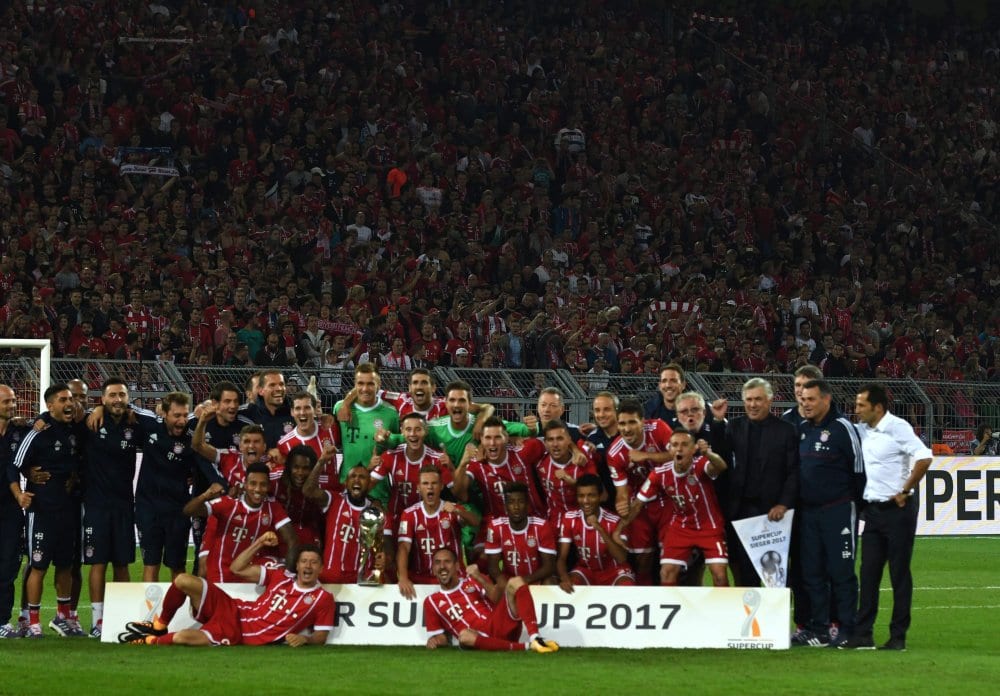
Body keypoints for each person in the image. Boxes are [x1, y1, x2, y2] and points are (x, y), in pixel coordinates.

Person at [118, 533, 333, 646]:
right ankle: (159, 626)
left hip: (240, 632)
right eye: (304, 561)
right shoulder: (280, 576)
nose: (308, 566)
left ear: (321, 568)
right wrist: (259, 542)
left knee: (182, 637)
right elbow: (237, 568)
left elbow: (321, 636)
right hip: (233, 608)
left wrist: (306, 639)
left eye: (313, 562)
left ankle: (152, 642)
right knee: (182, 580)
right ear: (297, 565)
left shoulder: (322, 598)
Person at [842, 384, 932, 651]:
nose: (856, 410)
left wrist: (906, 490)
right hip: (873, 511)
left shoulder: (897, 427)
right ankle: (863, 634)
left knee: (898, 573)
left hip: (898, 510)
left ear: (878, 407)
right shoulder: (863, 430)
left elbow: (924, 457)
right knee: (868, 573)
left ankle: (898, 636)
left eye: (861, 405)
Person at [793, 379, 865, 648]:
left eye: (811, 399)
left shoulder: (843, 428)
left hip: (838, 510)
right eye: (803, 399)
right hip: (808, 514)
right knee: (812, 573)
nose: (806, 404)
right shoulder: (803, 429)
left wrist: (852, 505)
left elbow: (859, 470)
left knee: (841, 571)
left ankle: (847, 629)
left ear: (826, 399)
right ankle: (819, 629)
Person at [710, 378, 799, 587]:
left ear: (769, 400)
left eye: (758, 399)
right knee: (746, 575)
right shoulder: (734, 426)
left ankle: (778, 610)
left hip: (774, 513)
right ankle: (750, 610)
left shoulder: (786, 430)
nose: (753, 404)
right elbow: (720, 459)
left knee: (776, 578)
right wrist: (717, 422)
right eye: (749, 400)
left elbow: (794, 471)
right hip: (742, 512)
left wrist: (783, 504)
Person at [14, 384, 85, 638]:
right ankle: (32, 622)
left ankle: (62, 617)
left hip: (68, 508)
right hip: (42, 509)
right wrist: (26, 478)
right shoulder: (37, 432)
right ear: (50, 405)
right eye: (63, 399)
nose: (69, 403)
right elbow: (16, 463)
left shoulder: (75, 429)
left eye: (71, 399)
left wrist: (75, 475)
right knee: (38, 566)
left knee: (65, 565)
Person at [80, 379, 143, 638]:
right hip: (96, 504)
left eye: (122, 395)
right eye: (113, 395)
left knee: (122, 562)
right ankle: (98, 621)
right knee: (98, 563)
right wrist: (95, 410)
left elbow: (158, 420)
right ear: (103, 399)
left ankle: (122, 617)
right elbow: (62, 418)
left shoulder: (134, 423)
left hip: (124, 505)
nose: (118, 399)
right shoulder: (90, 422)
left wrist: (134, 411)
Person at [626, 429, 730, 587]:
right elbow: (637, 503)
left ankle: (722, 604)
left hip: (709, 526)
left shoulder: (701, 463)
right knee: (666, 572)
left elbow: (721, 466)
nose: (679, 449)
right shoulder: (660, 473)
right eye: (675, 445)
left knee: (720, 575)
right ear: (669, 449)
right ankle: (669, 602)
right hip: (681, 527)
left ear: (694, 449)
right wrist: (619, 529)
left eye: (684, 445)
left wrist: (708, 454)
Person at [423, 546, 559, 653]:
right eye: (437, 563)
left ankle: (535, 637)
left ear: (457, 566)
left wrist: (478, 577)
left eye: (447, 562)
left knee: (516, 582)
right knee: (463, 636)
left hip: (498, 624)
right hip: (477, 637)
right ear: (433, 569)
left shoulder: (473, 579)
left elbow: (497, 599)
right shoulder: (431, 602)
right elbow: (440, 637)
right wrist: (434, 640)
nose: (442, 566)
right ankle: (528, 646)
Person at [183, 462, 297, 583]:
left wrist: (290, 573)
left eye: (263, 484)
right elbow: (188, 511)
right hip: (221, 571)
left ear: (269, 486)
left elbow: (292, 539)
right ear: (245, 484)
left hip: (247, 572)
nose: (258, 489)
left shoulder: (272, 507)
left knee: (277, 567)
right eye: (253, 483)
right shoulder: (229, 504)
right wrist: (206, 494)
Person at [605, 398, 673, 585]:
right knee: (643, 561)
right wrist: (621, 503)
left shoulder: (658, 428)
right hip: (639, 507)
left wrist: (646, 455)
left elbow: (679, 455)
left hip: (668, 500)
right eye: (622, 423)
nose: (626, 429)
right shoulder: (614, 453)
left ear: (643, 421)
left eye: (632, 422)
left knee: (672, 559)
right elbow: (621, 492)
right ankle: (645, 597)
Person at [302, 460, 392, 583]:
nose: (357, 480)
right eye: (353, 476)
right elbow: (308, 490)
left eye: (362, 477)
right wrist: (321, 461)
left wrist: (385, 557)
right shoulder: (334, 500)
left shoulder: (377, 511)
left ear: (369, 484)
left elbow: (387, 545)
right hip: (332, 576)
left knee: (386, 581)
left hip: (362, 579)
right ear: (346, 483)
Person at [397, 466, 479, 599]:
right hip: (422, 580)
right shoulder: (409, 514)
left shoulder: (452, 509)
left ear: (441, 486)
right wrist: (403, 577)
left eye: (434, 483)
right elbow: (404, 548)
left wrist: (458, 511)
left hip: (454, 578)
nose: (430, 487)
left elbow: (475, 522)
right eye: (425, 483)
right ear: (418, 488)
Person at [334, 363, 399, 501]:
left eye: (370, 384)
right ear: (355, 385)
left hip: (378, 490)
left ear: (378, 385)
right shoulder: (340, 408)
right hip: (346, 486)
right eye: (360, 383)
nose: (365, 389)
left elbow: (396, 447)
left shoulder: (391, 414)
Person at [557, 474, 634, 589]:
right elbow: (561, 558)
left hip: (614, 571)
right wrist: (565, 579)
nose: (585, 501)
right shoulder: (569, 518)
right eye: (581, 496)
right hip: (586, 571)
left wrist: (599, 527)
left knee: (627, 587)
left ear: (600, 496)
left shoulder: (615, 521)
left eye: (591, 495)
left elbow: (621, 558)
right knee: (570, 587)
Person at [370, 412, 451, 520]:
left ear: (426, 431)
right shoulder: (391, 456)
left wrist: (452, 467)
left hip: (427, 520)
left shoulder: (437, 459)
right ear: (402, 431)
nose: (413, 434)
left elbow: (459, 494)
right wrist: (372, 500)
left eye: (418, 429)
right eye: (408, 429)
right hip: (396, 518)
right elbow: (368, 485)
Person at [0, 385, 31, 638]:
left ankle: (2, 621)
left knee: (8, 566)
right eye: (6, 402)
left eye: (13, 401)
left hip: (10, 509)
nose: (12, 405)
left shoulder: (20, 431)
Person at [485, 482, 557, 586]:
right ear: (505, 506)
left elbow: (549, 567)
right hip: (509, 581)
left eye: (521, 502)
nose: (516, 507)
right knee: (492, 583)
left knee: (550, 582)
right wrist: (508, 586)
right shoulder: (495, 527)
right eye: (511, 502)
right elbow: (493, 568)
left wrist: (524, 581)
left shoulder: (541, 526)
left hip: (535, 579)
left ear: (528, 505)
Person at [242, 369, 295, 447]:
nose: (278, 388)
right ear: (261, 391)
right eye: (272, 385)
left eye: (281, 384)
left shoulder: (295, 412)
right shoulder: (247, 413)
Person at [379, 368, 449, 420]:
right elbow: (378, 392)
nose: (419, 387)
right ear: (409, 388)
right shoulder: (403, 400)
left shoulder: (444, 406)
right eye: (415, 383)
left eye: (424, 383)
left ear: (433, 388)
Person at [644, 364, 686, 430]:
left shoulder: (695, 410)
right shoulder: (648, 410)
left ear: (683, 385)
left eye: (673, 381)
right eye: (664, 381)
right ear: (660, 385)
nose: (668, 385)